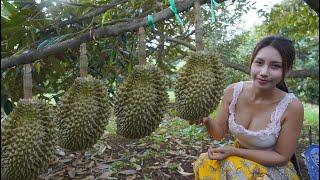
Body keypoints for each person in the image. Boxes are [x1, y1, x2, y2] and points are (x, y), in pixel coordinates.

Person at [193, 35, 304, 179]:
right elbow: (219, 133)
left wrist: (235, 152)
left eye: (275, 66)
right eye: (259, 63)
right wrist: (207, 120)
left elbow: (281, 157)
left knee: (234, 169)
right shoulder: (233, 91)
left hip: (271, 169)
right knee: (205, 162)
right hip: (237, 159)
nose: (264, 72)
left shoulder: (292, 106)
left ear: (287, 71)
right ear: (251, 63)